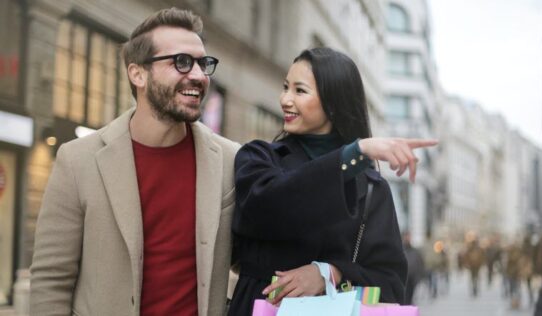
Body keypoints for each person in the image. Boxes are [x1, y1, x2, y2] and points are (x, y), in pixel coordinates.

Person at [30, 8, 240, 316]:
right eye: (181, 62)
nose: (197, 75)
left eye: (202, 63)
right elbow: (51, 279)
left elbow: (257, 257)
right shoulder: (78, 161)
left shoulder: (230, 160)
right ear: (137, 74)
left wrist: (326, 270)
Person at [227, 47, 438, 315]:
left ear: (333, 102)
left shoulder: (373, 187)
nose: (285, 99)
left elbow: (391, 284)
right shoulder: (259, 157)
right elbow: (268, 206)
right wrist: (354, 154)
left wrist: (330, 274)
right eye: (285, 88)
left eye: (299, 91)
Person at [402, 232, 425, 304]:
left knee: (410, 297)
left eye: (409, 237)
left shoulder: (415, 251)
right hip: (403, 279)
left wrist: (420, 276)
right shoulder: (400, 250)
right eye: (406, 237)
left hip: (413, 278)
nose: (407, 238)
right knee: (404, 298)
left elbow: (420, 263)